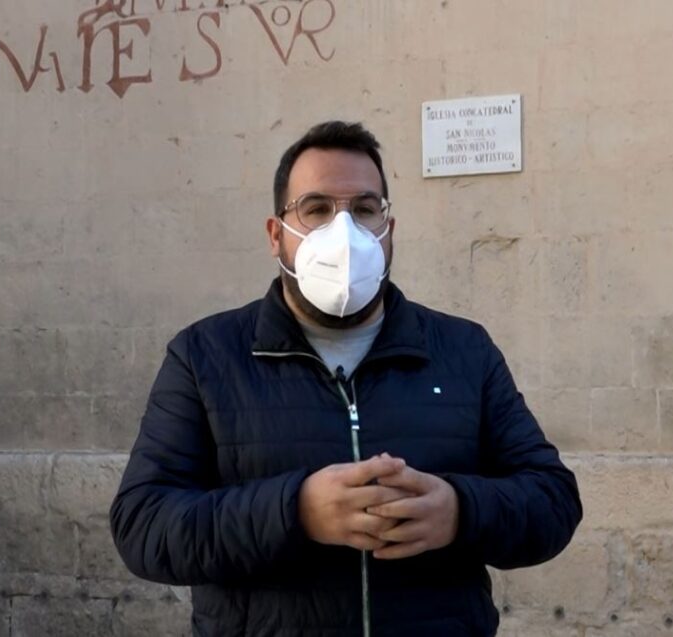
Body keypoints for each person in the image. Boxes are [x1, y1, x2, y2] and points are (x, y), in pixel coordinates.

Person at [110, 121, 582, 637]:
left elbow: (553, 500)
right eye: (316, 209)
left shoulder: (464, 351)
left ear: (388, 229)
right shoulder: (205, 356)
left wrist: (460, 511)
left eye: (363, 209)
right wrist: (296, 511)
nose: (344, 233)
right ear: (276, 235)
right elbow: (143, 525)